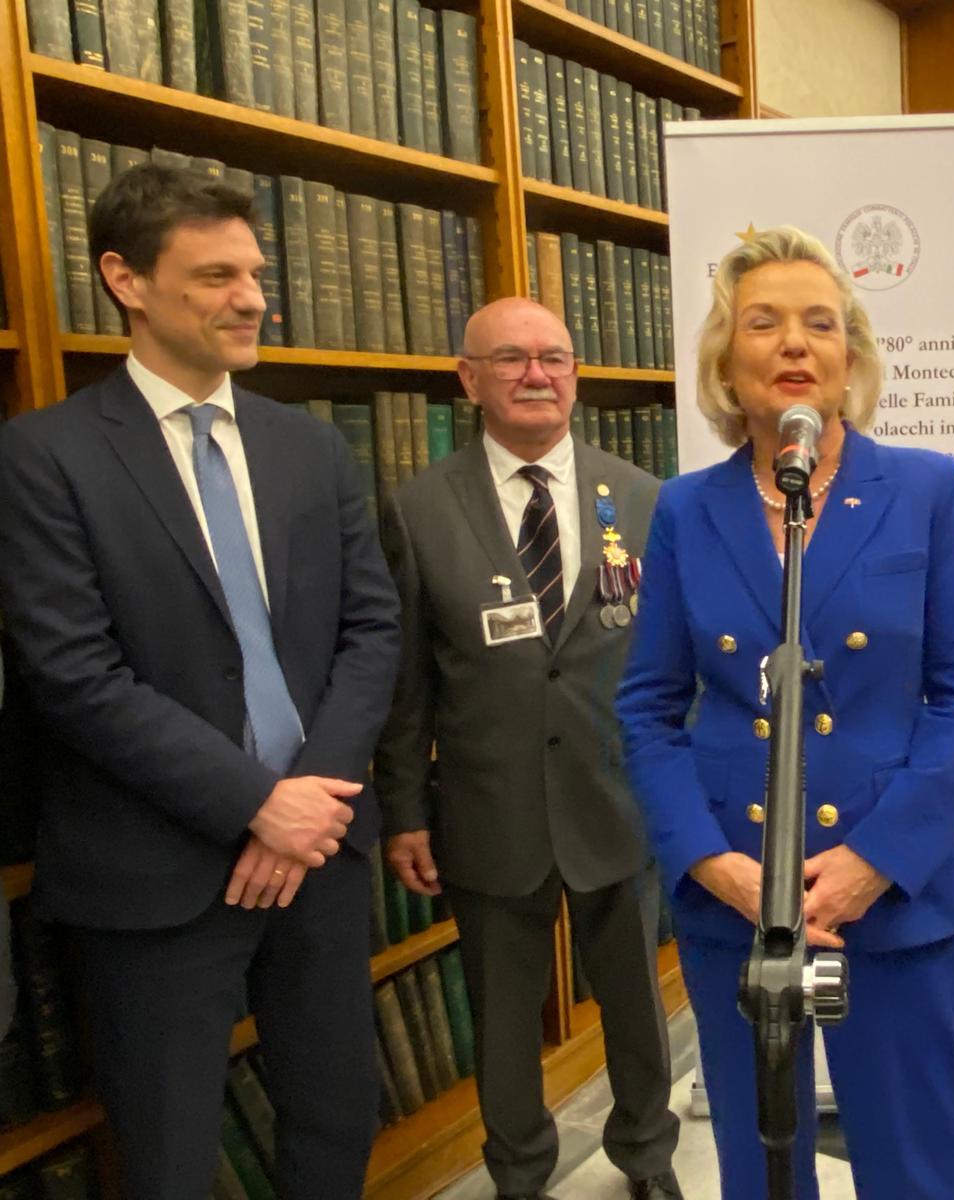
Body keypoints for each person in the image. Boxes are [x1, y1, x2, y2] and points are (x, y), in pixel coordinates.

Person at [0, 164, 401, 1197]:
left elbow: (372, 631)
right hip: (154, 872)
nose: (252, 298)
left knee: (337, 1120)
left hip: (318, 855)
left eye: (255, 273)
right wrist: (256, 803)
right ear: (125, 280)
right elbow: (71, 674)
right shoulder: (43, 457)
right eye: (217, 275)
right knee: (170, 1156)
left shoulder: (310, 447)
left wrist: (305, 802)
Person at [615, 226, 954, 1199]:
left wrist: (877, 861)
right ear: (725, 362)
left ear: (850, 357)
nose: (794, 342)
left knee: (921, 1164)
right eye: (764, 322)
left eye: (820, 323)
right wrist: (711, 864)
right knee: (764, 1164)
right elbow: (649, 707)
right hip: (737, 893)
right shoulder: (685, 509)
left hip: (890, 891)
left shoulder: (922, 488)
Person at [372, 297, 682, 1200]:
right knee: (503, 1018)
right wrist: (403, 813)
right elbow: (405, 684)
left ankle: (647, 1156)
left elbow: (675, 664)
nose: (536, 375)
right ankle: (518, 1171)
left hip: (617, 798)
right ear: (469, 379)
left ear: (576, 374)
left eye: (554, 357)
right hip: (487, 808)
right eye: (510, 359)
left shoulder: (642, 497)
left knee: (635, 1003)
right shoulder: (419, 510)